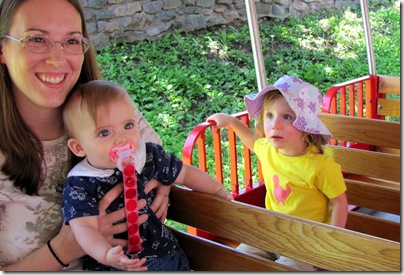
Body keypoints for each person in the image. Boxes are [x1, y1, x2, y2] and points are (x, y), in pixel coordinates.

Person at [0, 0, 171, 271]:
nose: (57, 58)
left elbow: (156, 159)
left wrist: (164, 178)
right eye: (36, 39)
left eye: (71, 41)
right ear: (2, 48)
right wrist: (66, 247)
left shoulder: (112, 113)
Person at [61, 79, 233, 271]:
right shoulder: (81, 183)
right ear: (79, 147)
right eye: (104, 133)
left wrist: (218, 190)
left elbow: (184, 173)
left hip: (166, 256)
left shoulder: (147, 157)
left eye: (127, 126)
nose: (122, 138)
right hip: (117, 266)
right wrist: (106, 255)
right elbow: (84, 228)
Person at [206, 75, 348, 271]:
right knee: (238, 259)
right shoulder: (268, 149)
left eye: (286, 116)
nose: (275, 124)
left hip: (305, 242)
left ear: (306, 128)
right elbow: (252, 140)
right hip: (271, 231)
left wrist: (331, 241)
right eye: (269, 115)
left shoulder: (320, 166)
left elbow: (339, 202)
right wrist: (231, 121)